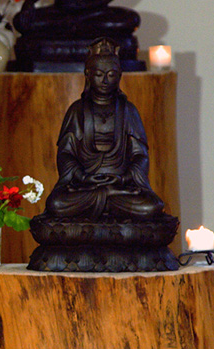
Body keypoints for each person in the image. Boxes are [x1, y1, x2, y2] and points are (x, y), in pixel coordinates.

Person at [44, 37, 165, 221]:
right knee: (56, 204)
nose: (105, 80)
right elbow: (65, 154)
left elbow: (140, 155)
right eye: (99, 74)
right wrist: (83, 177)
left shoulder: (127, 110)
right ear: (88, 75)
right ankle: (107, 203)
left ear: (119, 76)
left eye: (111, 74)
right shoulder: (77, 110)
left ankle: (105, 202)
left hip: (120, 186)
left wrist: (124, 178)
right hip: (86, 186)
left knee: (151, 206)